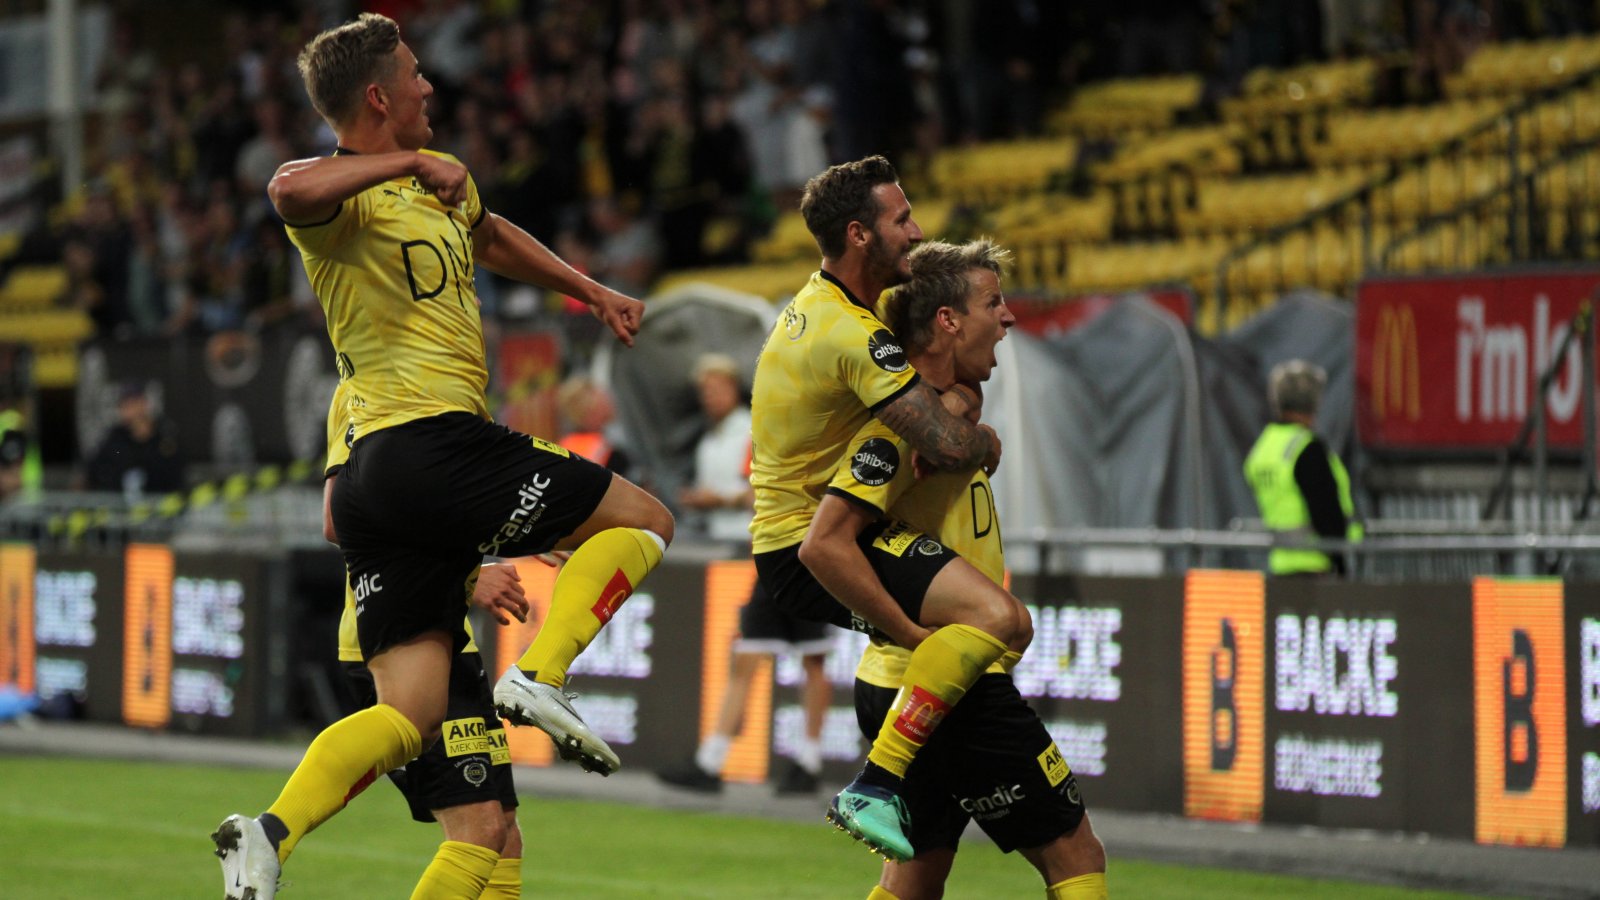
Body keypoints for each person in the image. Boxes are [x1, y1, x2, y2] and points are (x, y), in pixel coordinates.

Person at [213, 15, 674, 900]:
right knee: (646, 520)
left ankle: (269, 835)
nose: (430, 87)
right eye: (415, 75)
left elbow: (490, 237)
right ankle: (541, 676)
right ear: (378, 96)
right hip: (427, 441)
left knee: (416, 722)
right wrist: (406, 164)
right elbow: (287, 188)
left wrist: (587, 290)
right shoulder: (349, 199)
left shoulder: (444, 187)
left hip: (388, 491)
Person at [808, 239, 1108, 898]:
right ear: (947, 321)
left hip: (897, 685)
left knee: (914, 881)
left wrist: (965, 419)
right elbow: (824, 543)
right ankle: (875, 780)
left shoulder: (943, 412)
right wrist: (908, 631)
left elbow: (956, 406)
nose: (1008, 318)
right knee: (1076, 855)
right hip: (945, 685)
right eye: (992, 303)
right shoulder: (903, 426)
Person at [749, 155, 1025, 861]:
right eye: (901, 218)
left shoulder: (837, 308)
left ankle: (882, 776)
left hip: (799, 537)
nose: (917, 230)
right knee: (998, 618)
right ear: (859, 233)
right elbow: (944, 440)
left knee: (919, 876)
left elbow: (943, 395)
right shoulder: (853, 332)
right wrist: (977, 438)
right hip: (810, 544)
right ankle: (874, 780)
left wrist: (958, 406)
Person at [323, 383, 530, 898]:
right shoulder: (365, 390)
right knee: (480, 831)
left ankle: (271, 831)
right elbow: (337, 519)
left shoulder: (446, 385)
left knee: (503, 836)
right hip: (396, 635)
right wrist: (469, 577)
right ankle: (272, 831)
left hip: (448, 637)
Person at [657, 353, 833, 795]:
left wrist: (719, 500)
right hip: (776, 551)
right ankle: (727, 761)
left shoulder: (781, 428)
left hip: (794, 551)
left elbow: (766, 491)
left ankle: (784, 762)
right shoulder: (755, 431)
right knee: (776, 655)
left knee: (801, 657)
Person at [1242, 360, 1362, 577]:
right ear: (1315, 402)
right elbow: (1326, 513)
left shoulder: (1264, 448)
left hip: (1280, 564)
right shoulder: (1306, 448)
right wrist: (1340, 561)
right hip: (1316, 566)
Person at [84, 381, 184, 499]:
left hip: (159, 503)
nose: (129, 410)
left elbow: (173, 474)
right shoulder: (116, 436)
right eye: (124, 405)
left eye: (133, 403)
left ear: (144, 403)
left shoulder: (164, 434)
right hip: (120, 505)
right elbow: (95, 470)